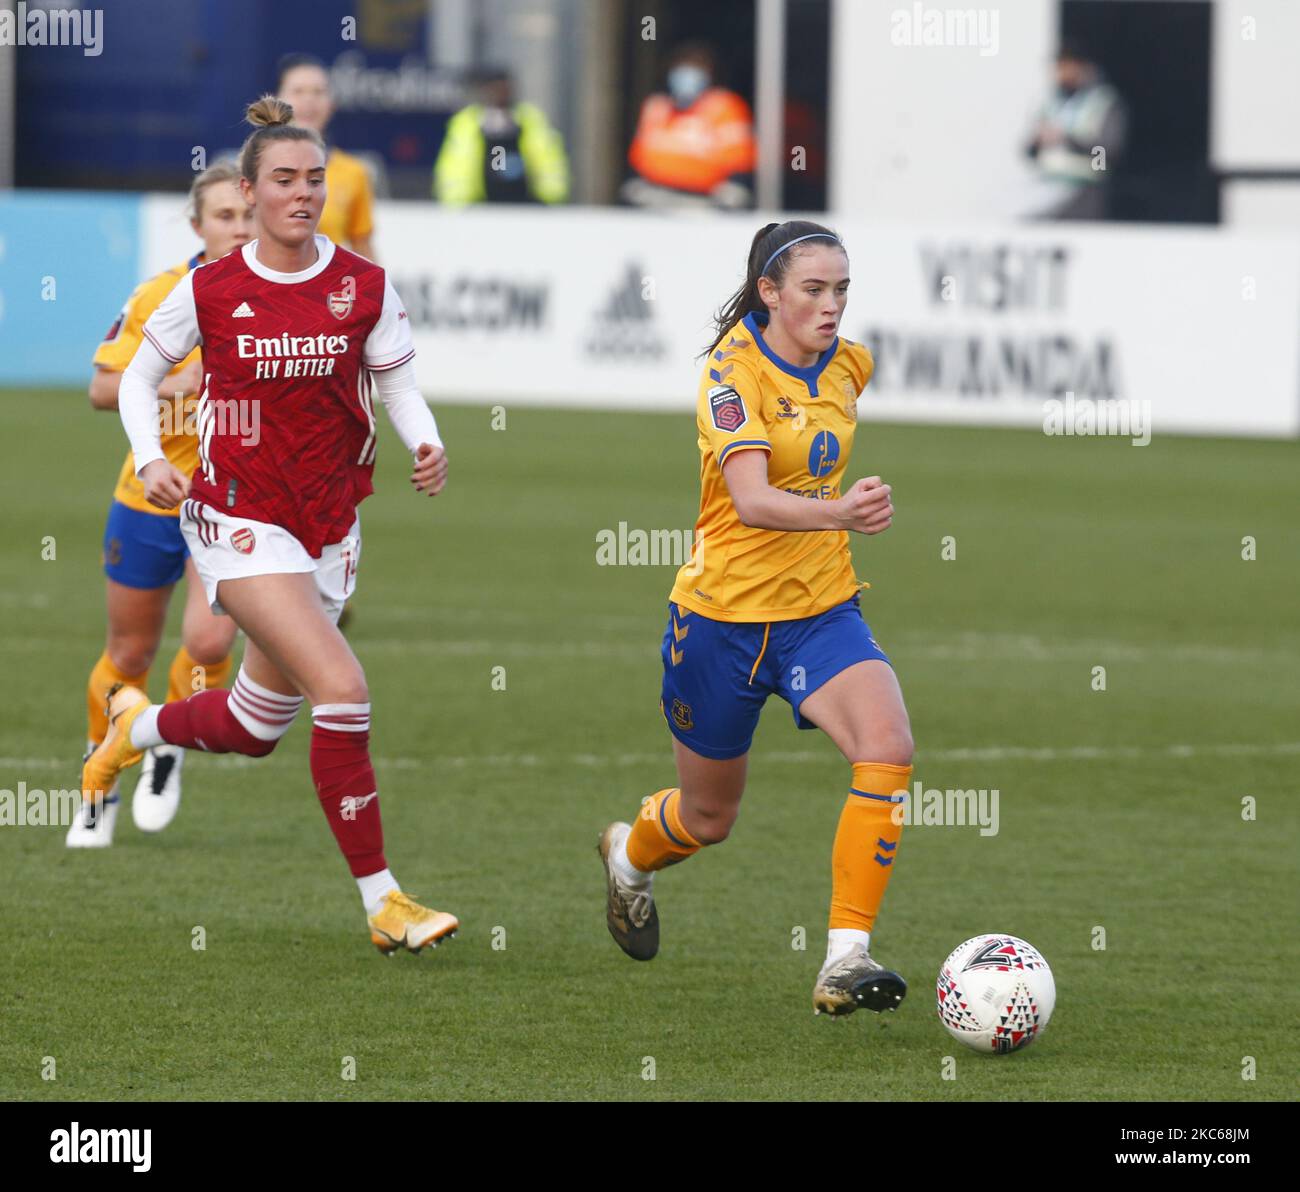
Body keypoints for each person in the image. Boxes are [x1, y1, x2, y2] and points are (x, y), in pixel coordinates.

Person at [80, 96, 458, 955]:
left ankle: (132, 727)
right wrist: (148, 458)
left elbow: (396, 379)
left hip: (328, 519)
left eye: (315, 179)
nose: (303, 194)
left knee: (253, 728)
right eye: (284, 179)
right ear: (248, 194)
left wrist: (425, 441)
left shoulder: (362, 285)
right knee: (344, 690)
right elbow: (135, 382)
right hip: (237, 518)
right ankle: (384, 901)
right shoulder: (209, 288)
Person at [597, 221, 914, 1018]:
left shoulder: (852, 364)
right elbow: (749, 499)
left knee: (887, 748)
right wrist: (841, 509)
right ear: (769, 292)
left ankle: (846, 958)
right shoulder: (729, 373)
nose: (832, 305)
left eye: (842, 289)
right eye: (813, 289)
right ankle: (628, 858)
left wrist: (841, 513)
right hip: (720, 622)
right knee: (708, 818)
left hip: (821, 611)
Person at [68, 162, 253, 849]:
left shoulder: (278, 295)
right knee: (130, 648)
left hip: (231, 504)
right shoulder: (163, 294)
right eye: (224, 217)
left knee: (208, 642)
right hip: (148, 497)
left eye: (246, 215)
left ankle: (169, 740)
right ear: (197, 224)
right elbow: (101, 389)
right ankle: (99, 776)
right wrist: (184, 378)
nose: (237, 228)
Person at [624, 42, 756, 210]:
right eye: (681, 69)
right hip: (656, 198)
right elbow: (640, 156)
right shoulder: (657, 107)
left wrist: (734, 188)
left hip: (705, 202)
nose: (686, 77)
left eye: (695, 69)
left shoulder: (724, 106)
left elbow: (740, 158)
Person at [277, 53, 377, 259]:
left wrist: (378, 288)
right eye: (298, 91)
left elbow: (363, 248)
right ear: (277, 100)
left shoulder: (353, 173)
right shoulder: (252, 169)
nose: (308, 101)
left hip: (328, 287)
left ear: (331, 103)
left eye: (318, 92)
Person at [433, 66, 569, 205]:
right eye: (495, 89)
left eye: (504, 89)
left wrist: (548, 197)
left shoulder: (530, 120)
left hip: (526, 204)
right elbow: (454, 166)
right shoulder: (467, 123)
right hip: (478, 206)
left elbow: (549, 162)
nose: (500, 94)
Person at [1023, 41, 1127, 220]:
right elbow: (1030, 152)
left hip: (1085, 193)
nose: (1062, 73)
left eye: (1067, 67)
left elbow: (1105, 154)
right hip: (1048, 189)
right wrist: (1038, 143)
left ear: (1082, 68)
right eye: (1059, 67)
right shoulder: (1052, 103)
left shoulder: (1102, 103)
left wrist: (1067, 139)